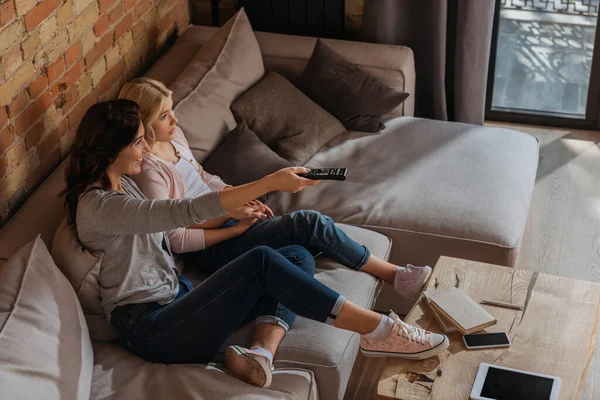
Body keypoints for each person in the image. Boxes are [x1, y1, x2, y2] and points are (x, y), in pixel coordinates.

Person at [65, 99, 449, 390]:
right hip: (152, 328)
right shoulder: (100, 206)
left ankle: (261, 353)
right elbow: (180, 213)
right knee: (263, 260)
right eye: (136, 143)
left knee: (295, 254)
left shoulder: (123, 182)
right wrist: (270, 182)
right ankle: (380, 331)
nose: (145, 150)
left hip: (177, 301)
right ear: (109, 149)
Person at [118, 78, 431, 300]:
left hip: (228, 214)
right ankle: (395, 276)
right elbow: (177, 238)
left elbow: (202, 176)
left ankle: (260, 350)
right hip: (209, 246)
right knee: (308, 222)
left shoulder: (174, 137)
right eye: (163, 116)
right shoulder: (147, 171)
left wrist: (237, 195)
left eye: (171, 109)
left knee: (298, 258)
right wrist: (234, 226)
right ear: (141, 124)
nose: (174, 118)